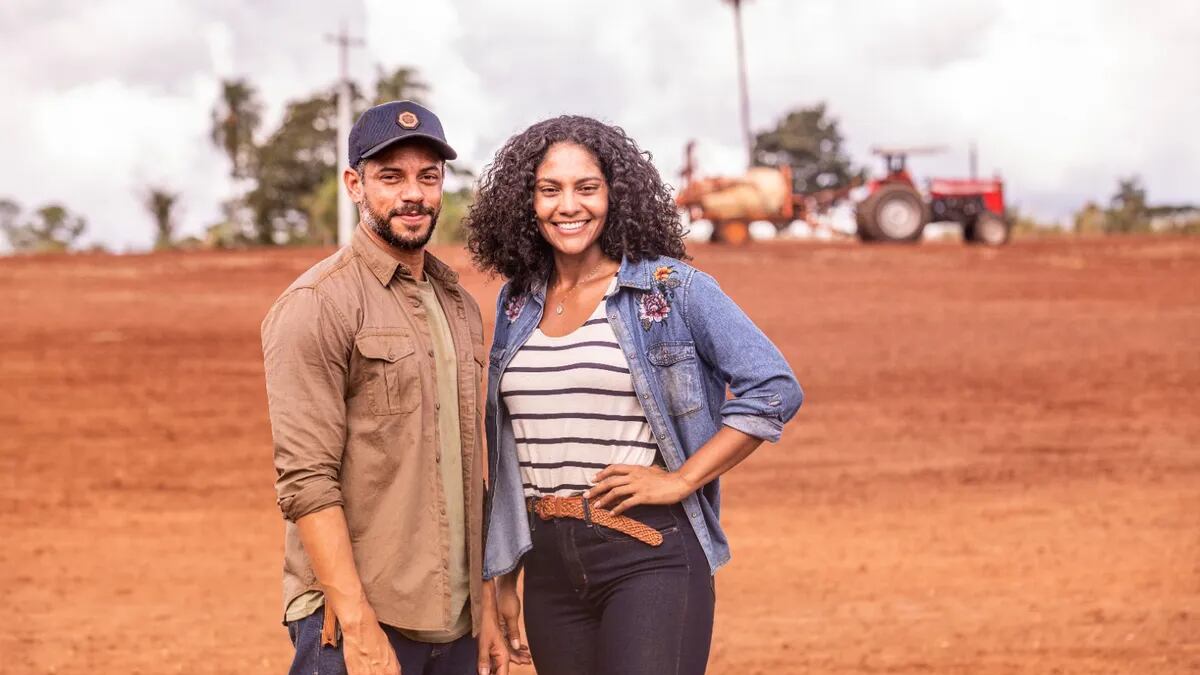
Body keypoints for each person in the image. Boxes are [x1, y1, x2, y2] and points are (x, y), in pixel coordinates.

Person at [464, 115, 804, 675]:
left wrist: (682, 478)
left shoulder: (671, 288)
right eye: (549, 190)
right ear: (527, 202)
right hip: (548, 566)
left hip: (649, 554)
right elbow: (511, 452)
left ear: (615, 195)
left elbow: (772, 385)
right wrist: (505, 577)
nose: (567, 206)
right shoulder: (516, 303)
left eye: (586, 188)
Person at [261, 100, 509, 675]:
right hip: (363, 622)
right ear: (354, 183)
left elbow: (473, 468)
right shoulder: (316, 306)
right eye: (390, 177)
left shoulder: (461, 306)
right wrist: (355, 620)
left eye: (428, 176)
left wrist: (486, 608)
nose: (413, 194)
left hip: (456, 623)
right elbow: (306, 479)